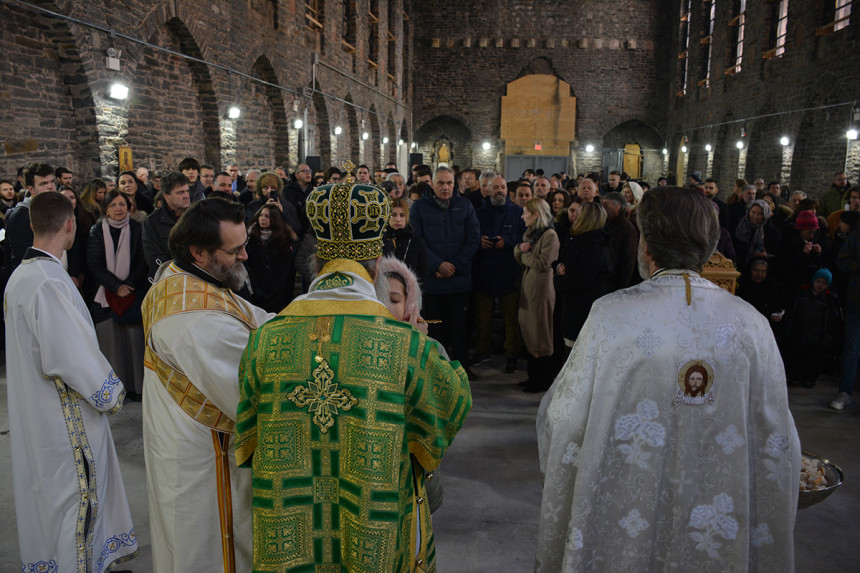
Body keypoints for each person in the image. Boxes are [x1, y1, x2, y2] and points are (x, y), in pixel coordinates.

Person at [536, 187, 800, 572]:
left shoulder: (612, 317)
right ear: (709, 246)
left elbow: (563, 419)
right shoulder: (751, 326)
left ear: (647, 246)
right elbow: (779, 438)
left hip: (626, 510)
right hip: (717, 518)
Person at [236, 168, 472, 571]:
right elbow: (449, 406)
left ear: (317, 262)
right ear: (377, 264)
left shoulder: (264, 339)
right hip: (371, 527)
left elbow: (247, 434)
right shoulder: (406, 346)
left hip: (293, 532)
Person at [5, 191, 138, 571]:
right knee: (76, 503)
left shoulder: (23, 276)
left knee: (56, 502)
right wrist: (111, 392)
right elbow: (70, 355)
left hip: (39, 414)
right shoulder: (48, 282)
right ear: (70, 224)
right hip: (63, 421)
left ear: (31, 226)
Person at [141, 198, 273, 571]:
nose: (245, 255)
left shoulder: (181, 276)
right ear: (198, 251)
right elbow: (255, 389)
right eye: (235, 250)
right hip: (202, 462)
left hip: (180, 442)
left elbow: (253, 318)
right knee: (206, 551)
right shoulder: (197, 323)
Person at [410, 166, 480, 372]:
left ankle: (461, 372)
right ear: (432, 184)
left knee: (461, 331)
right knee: (436, 331)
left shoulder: (465, 206)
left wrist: (454, 266)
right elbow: (418, 240)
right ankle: (437, 372)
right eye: (441, 183)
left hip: (459, 281)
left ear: (455, 184)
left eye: (449, 183)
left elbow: (473, 239)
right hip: (434, 282)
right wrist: (438, 264)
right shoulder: (419, 208)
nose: (446, 187)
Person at [88, 189, 149, 402]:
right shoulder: (96, 231)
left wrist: (129, 284)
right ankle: (116, 392)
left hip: (134, 292)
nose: (118, 209)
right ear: (105, 209)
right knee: (112, 345)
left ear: (129, 207)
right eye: (113, 205)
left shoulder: (138, 229)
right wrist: (116, 286)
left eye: (122, 204)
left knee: (135, 344)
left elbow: (144, 261)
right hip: (105, 295)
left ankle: (137, 389)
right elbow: (94, 264)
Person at [471, 175, 526, 372]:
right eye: (495, 188)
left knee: (511, 319)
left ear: (508, 191)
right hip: (484, 273)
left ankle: (511, 353)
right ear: (488, 190)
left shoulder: (518, 213)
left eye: (503, 187)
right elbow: (470, 235)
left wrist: (508, 241)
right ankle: (482, 351)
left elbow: (525, 237)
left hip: (509, 273)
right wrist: (479, 242)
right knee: (483, 318)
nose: (499, 191)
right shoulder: (478, 213)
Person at [515, 198, 559, 393]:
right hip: (530, 290)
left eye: (526, 212)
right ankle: (533, 376)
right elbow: (522, 255)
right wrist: (519, 249)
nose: (522, 216)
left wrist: (523, 253)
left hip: (540, 292)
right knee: (531, 334)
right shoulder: (531, 235)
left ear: (536, 215)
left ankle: (542, 380)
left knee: (541, 334)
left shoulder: (550, 236)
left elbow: (543, 263)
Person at [554, 201, 614, 346]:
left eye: (578, 213)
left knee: (576, 353)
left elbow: (581, 279)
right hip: (581, 304)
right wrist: (558, 266)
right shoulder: (588, 239)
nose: (574, 216)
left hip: (582, 307)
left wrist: (557, 280)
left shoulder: (591, 245)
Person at [244, 204, 298, 313]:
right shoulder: (250, 238)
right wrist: (256, 289)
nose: (262, 219)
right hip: (255, 292)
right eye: (261, 215)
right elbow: (248, 265)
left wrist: (273, 291)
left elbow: (285, 269)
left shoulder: (283, 240)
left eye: (267, 216)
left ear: (275, 219)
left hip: (276, 294)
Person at [6, 162, 56, 270]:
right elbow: (24, 256)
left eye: (52, 181)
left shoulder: (57, 208)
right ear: (31, 189)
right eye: (43, 184)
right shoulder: (20, 216)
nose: (50, 187)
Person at [142, 171, 191, 277]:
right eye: (180, 192)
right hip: (169, 279)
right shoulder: (151, 222)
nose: (186, 196)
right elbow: (154, 258)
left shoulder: (196, 216)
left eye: (187, 191)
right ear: (166, 196)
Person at [382, 196, 428, 282]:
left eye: (402, 215)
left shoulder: (417, 242)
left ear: (406, 217)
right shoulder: (380, 240)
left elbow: (423, 274)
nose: (398, 219)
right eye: (393, 215)